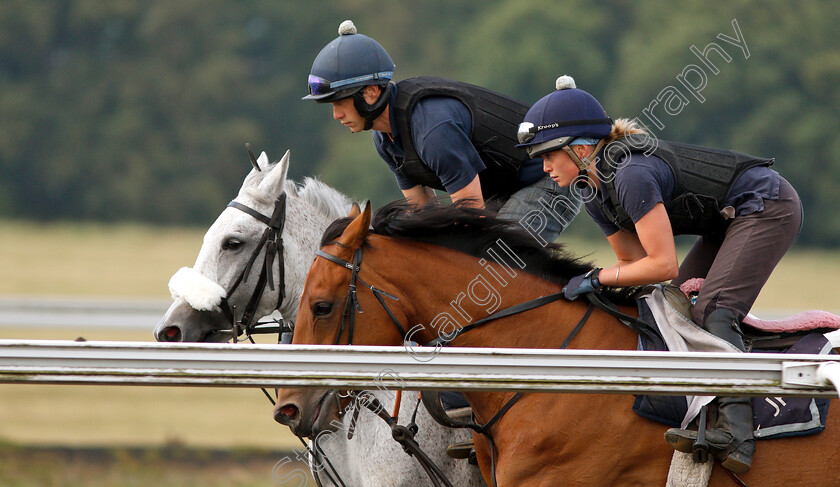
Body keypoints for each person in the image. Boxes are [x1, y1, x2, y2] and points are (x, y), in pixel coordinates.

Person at [517, 75, 803, 474]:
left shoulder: (630, 174)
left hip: (766, 206)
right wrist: (604, 287)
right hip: (726, 222)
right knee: (670, 307)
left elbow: (663, 263)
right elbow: (640, 272)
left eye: (549, 155)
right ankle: (698, 408)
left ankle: (738, 431)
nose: (544, 167)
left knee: (714, 313)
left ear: (581, 148)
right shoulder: (591, 188)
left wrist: (597, 278)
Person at [302, 20, 581, 246]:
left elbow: (472, 217)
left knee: (492, 264)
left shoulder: (432, 130)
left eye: (339, 102)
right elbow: (425, 212)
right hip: (505, 191)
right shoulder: (384, 139)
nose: (336, 115)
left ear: (371, 92)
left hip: (551, 178)